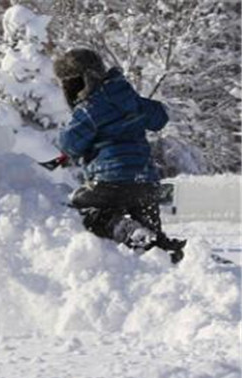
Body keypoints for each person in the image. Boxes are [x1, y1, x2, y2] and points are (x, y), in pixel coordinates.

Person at [52, 48, 186, 263]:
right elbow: (160, 118)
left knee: (77, 212)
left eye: (72, 83)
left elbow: (70, 145)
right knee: (150, 239)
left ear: (87, 79)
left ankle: (126, 230)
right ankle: (166, 249)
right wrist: (135, 110)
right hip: (146, 182)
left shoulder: (89, 109)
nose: (70, 91)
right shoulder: (129, 98)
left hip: (110, 183)